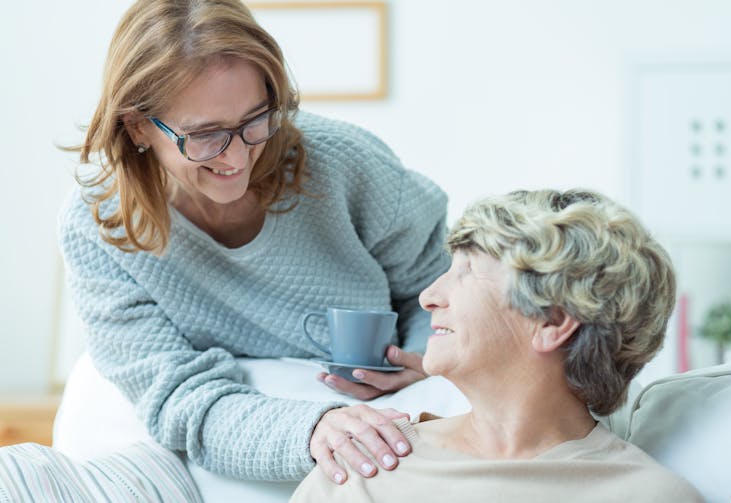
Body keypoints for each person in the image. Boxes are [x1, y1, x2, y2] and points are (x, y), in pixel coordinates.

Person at [57, 0, 449, 484]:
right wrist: (313, 426)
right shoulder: (100, 227)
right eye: (205, 135)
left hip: (389, 411)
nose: (237, 156)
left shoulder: (342, 162)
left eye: (256, 119)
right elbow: (180, 399)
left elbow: (439, 285)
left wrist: (425, 358)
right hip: (254, 431)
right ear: (138, 125)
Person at [291, 189, 704, 502]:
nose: (428, 297)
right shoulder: (365, 463)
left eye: (467, 270)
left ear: (552, 321)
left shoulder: (649, 495)